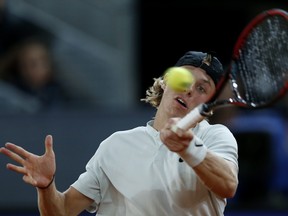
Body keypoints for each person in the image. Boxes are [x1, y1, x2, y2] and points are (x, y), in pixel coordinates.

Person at [0, 51, 239, 215]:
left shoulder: (215, 137)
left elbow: (228, 185)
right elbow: (61, 211)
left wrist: (188, 147)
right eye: (183, 78)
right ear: (165, 81)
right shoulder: (116, 145)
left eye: (202, 88)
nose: (188, 90)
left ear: (209, 102)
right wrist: (46, 186)